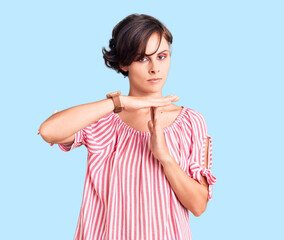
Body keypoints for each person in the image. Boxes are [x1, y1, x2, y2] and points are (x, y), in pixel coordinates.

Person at [38, 13, 216, 240]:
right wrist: (119, 103)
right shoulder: (102, 120)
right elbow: (48, 131)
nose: (154, 68)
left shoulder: (191, 122)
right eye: (142, 58)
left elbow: (199, 205)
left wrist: (164, 157)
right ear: (124, 63)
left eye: (161, 56)